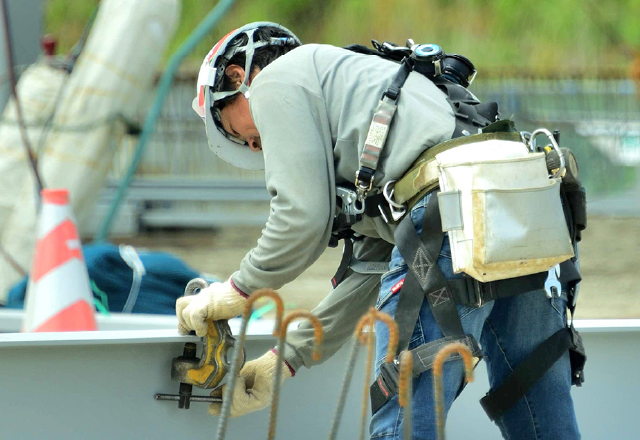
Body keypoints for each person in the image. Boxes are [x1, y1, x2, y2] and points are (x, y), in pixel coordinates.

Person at [177, 22, 584, 439]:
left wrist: (236, 290)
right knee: (537, 406)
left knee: (403, 419)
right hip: (525, 202)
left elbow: (301, 219)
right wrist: (283, 361)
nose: (251, 145)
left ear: (237, 77)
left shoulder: (275, 82)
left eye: (231, 128)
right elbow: (370, 272)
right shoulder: (369, 103)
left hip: (448, 208)